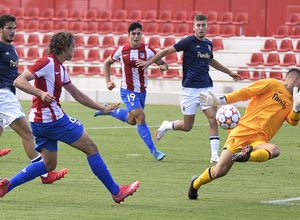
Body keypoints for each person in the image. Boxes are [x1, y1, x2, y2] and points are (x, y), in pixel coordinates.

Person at [0, 30, 139, 203]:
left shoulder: (60, 68)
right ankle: (116, 191)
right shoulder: (47, 62)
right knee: (91, 148)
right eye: (73, 46)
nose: (75, 50)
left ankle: (7, 185)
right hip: (53, 120)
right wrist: (41, 93)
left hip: (39, 121)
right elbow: (19, 81)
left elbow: (78, 95)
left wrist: (102, 108)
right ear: (64, 47)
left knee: (49, 164)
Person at [136, 14, 240, 163]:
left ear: (207, 27)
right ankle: (166, 125)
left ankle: (214, 156)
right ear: (194, 27)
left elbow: (211, 61)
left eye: (203, 25)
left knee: (213, 118)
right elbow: (165, 51)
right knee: (187, 126)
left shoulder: (209, 44)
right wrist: (148, 63)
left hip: (206, 87)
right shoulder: (188, 42)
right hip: (189, 90)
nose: (201, 28)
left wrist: (229, 72)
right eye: (198, 25)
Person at [187, 68, 300, 200]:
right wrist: (220, 101)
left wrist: (296, 107)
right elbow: (246, 92)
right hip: (242, 133)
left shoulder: (293, 101)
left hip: (259, 140)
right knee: (220, 171)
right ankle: (195, 183)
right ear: (296, 80)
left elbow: (292, 121)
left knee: (274, 150)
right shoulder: (273, 84)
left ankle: (246, 155)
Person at [0, 14, 67, 183]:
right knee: (27, 134)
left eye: (14, 28)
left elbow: (11, 73)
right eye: (9, 28)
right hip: (3, 96)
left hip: (7, 94)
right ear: (0, 29)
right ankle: (45, 174)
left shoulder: (11, 48)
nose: (13, 31)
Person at [94, 21, 169, 161]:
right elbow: (107, 62)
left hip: (141, 91)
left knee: (132, 120)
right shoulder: (121, 50)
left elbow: (163, 63)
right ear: (128, 35)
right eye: (133, 34)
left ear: (141, 34)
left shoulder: (147, 50)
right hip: (127, 90)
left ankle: (107, 110)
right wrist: (108, 81)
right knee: (141, 116)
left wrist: (163, 67)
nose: (136, 36)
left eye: (138, 34)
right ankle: (154, 151)